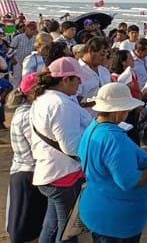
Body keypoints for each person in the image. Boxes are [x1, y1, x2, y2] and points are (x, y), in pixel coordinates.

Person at [78, 83, 147, 243]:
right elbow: (129, 181)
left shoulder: (93, 127)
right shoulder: (114, 138)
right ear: (118, 111)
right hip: (116, 219)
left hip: (100, 207)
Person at [30, 57, 93, 243]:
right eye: (77, 79)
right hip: (63, 174)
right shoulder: (61, 104)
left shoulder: (43, 99)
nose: (80, 83)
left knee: (53, 226)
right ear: (65, 80)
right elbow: (72, 147)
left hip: (51, 171)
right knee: (68, 231)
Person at [7, 73, 48, 243]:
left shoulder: (23, 112)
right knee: (28, 231)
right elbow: (37, 148)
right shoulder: (28, 115)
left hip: (24, 172)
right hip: (29, 174)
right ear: (33, 92)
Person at [77, 37, 112, 108]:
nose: (104, 58)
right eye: (102, 54)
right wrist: (98, 101)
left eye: (106, 55)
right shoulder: (77, 71)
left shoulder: (104, 70)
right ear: (90, 51)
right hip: (86, 117)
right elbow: (75, 100)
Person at [10, 21, 37, 85]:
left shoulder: (35, 39)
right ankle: (14, 93)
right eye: (31, 29)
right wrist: (12, 59)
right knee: (17, 79)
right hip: (18, 62)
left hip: (28, 63)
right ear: (26, 29)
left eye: (33, 30)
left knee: (26, 79)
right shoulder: (18, 37)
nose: (32, 31)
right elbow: (11, 49)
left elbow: (36, 50)